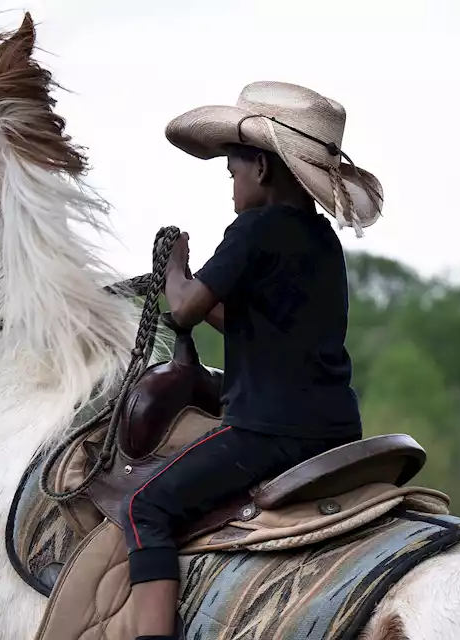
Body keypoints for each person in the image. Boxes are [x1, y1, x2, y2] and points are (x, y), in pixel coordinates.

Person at [122, 81, 386, 640]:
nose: (233, 189)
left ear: (261, 170)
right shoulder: (320, 239)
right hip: (336, 430)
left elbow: (187, 313)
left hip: (269, 434)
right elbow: (249, 326)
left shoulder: (253, 230)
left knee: (146, 509)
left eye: (233, 174)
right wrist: (193, 289)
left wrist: (175, 269)